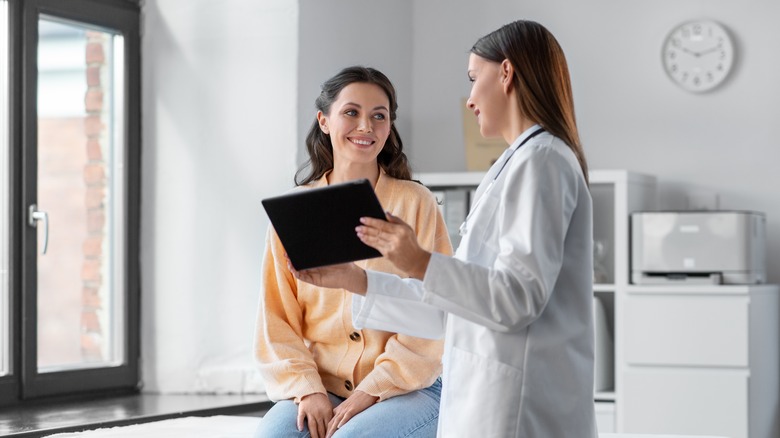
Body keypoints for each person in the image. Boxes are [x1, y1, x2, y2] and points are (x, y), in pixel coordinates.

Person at [291, 20, 597, 437]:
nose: (470, 98)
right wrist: (357, 280)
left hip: (519, 405)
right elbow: (452, 308)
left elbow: (517, 299)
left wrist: (418, 261)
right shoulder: (515, 165)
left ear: (506, 73)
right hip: (486, 394)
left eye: (474, 78)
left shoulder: (542, 161)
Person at [254, 66, 452, 438]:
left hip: (411, 387)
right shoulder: (294, 212)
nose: (366, 126)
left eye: (379, 116)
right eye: (351, 112)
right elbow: (276, 318)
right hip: (320, 384)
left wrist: (369, 392)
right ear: (324, 121)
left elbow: (435, 316)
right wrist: (307, 389)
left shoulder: (416, 203)